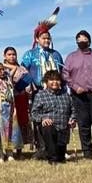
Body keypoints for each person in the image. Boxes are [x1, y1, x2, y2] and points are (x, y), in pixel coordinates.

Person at [63, 30, 92, 158]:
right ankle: (87, 151)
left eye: (83, 40)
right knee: (83, 124)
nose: (81, 42)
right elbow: (65, 75)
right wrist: (74, 87)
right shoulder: (71, 58)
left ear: (89, 41)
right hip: (78, 95)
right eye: (78, 40)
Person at [22, 28, 64, 159]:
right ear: (37, 39)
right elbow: (23, 70)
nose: (46, 40)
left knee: (58, 118)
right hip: (38, 91)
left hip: (57, 92)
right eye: (43, 38)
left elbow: (62, 72)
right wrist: (29, 85)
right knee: (39, 120)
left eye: (48, 38)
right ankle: (42, 148)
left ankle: (58, 147)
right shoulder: (30, 54)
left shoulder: (56, 54)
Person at [31, 69, 76, 164]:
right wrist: (43, 118)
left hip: (63, 128)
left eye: (57, 80)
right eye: (51, 80)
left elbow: (73, 110)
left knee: (61, 158)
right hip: (48, 127)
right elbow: (34, 113)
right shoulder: (40, 95)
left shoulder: (66, 95)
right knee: (49, 129)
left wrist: (72, 119)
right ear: (46, 82)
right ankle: (52, 160)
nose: (54, 82)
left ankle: (49, 155)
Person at [1, 46, 33, 157]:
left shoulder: (22, 69)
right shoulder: (2, 69)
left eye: (13, 54)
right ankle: (8, 150)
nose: (12, 56)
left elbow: (29, 85)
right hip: (9, 101)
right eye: (9, 54)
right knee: (10, 124)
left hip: (22, 99)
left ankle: (19, 150)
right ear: (4, 56)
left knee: (22, 123)